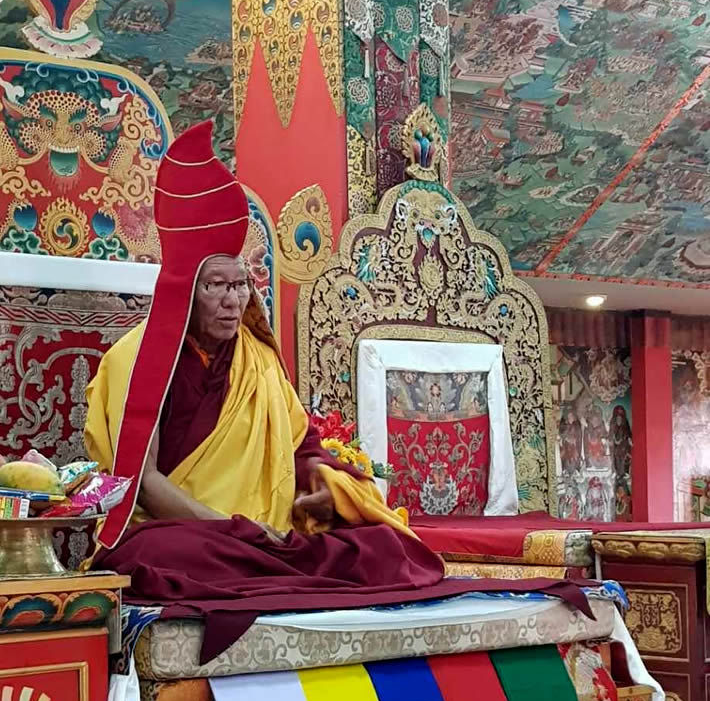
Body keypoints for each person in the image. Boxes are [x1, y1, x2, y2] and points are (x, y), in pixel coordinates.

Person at [86, 120, 591, 661]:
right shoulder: (137, 358)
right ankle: (260, 563)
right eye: (216, 286)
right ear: (187, 289)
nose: (233, 301)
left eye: (240, 284)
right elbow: (141, 483)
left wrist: (325, 486)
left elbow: (302, 446)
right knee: (146, 557)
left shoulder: (258, 358)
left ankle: (273, 564)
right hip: (191, 531)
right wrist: (236, 528)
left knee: (385, 547)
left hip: (269, 534)